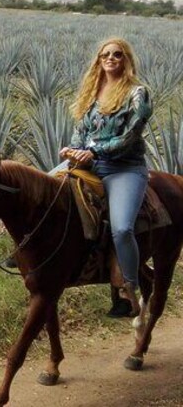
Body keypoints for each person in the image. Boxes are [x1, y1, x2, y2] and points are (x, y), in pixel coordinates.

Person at [59, 37, 153, 318]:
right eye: (105, 55)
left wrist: (92, 151)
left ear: (126, 59)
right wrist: (72, 150)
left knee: (122, 228)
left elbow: (128, 138)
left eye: (117, 54)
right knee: (42, 189)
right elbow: (81, 132)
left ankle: (128, 286)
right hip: (89, 165)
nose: (110, 59)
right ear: (98, 61)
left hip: (124, 168)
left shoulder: (138, 93)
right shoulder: (93, 91)